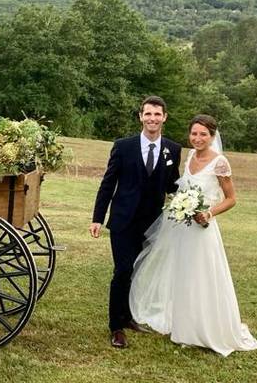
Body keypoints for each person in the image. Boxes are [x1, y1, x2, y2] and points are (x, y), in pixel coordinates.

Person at [129, 114, 257, 356]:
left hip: (204, 231)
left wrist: (208, 213)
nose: (197, 138)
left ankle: (205, 329)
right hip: (183, 228)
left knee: (202, 277)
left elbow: (231, 199)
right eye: (194, 133)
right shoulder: (189, 156)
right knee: (184, 275)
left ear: (212, 136)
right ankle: (184, 327)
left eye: (203, 134)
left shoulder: (220, 162)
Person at [90, 96, 181, 348]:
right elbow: (108, 184)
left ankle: (129, 316)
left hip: (152, 224)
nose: (152, 119)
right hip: (123, 221)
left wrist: (191, 201)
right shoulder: (123, 146)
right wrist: (98, 218)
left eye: (157, 114)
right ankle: (116, 327)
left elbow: (173, 184)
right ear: (141, 116)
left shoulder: (172, 149)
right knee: (122, 271)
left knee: (139, 271)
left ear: (165, 117)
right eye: (148, 114)